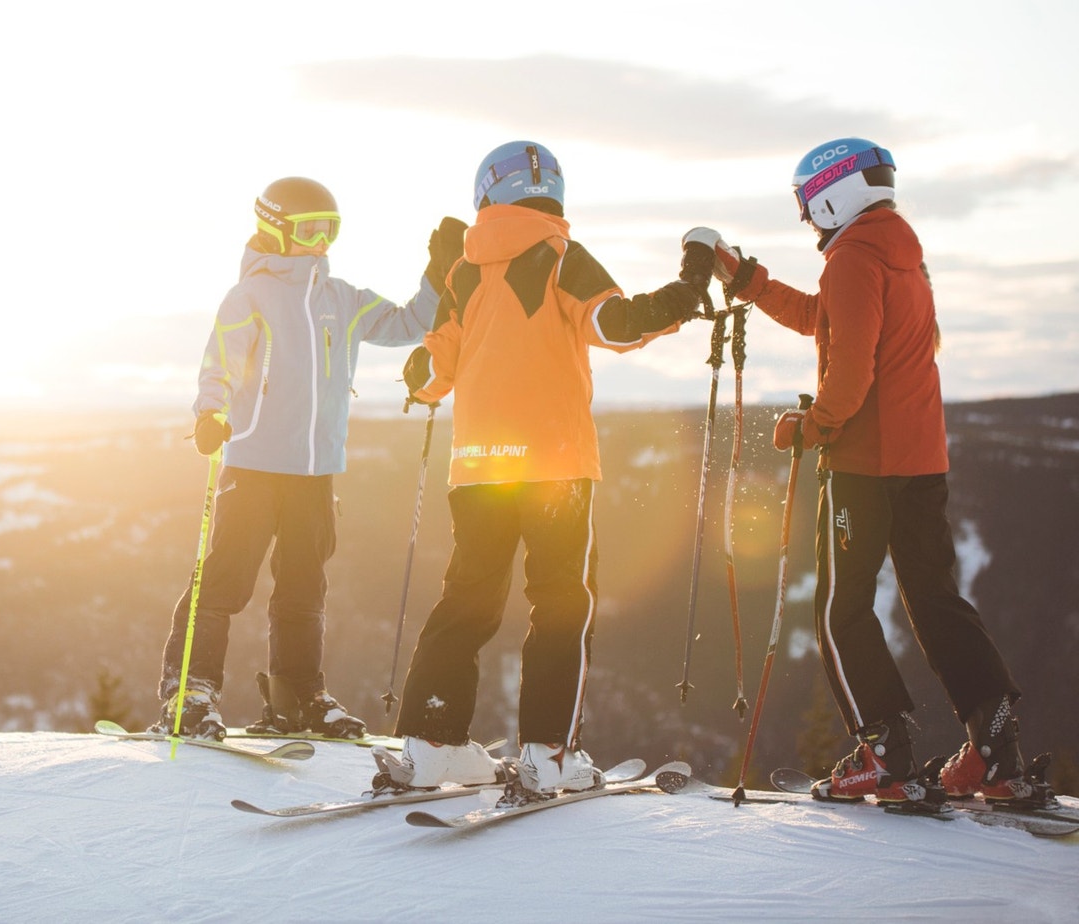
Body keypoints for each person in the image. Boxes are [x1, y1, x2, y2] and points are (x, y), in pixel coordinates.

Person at [688, 137, 1030, 805]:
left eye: (808, 206)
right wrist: (750, 283)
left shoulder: (850, 258)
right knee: (935, 601)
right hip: (922, 460)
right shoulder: (902, 251)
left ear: (833, 193)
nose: (809, 220)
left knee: (841, 610)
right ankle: (995, 751)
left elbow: (848, 374)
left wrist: (810, 428)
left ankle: (883, 751)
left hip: (865, 467)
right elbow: (827, 321)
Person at [376, 141, 713, 797]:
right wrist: (688, 288)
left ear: (486, 196)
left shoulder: (464, 275)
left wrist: (429, 327)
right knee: (559, 608)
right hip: (555, 467)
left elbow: (428, 375)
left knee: (465, 603)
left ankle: (433, 745)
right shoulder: (559, 255)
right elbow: (615, 325)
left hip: (478, 472)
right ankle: (549, 757)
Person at [152, 176, 467, 741]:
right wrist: (210, 414)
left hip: (316, 472)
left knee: (303, 590)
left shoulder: (341, 297)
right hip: (254, 464)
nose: (321, 241)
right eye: (310, 230)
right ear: (274, 229)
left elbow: (408, 324)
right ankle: (191, 693)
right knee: (224, 584)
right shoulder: (249, 297)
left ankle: (298, 697)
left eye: (331, 230)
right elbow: (219, 364)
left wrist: (437, 274)